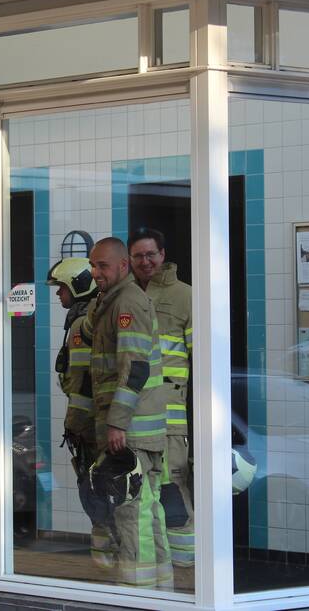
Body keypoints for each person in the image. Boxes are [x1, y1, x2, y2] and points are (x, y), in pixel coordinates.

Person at [86, 237, 173, 590]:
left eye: (102, 266)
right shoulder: (113, 301)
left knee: (131, 515)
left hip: (131, 431)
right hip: (134, 430)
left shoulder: (127, 303)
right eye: (92, 265)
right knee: (147, 512)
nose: (95, 272)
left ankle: (138, 593)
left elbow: (134, 369)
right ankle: (160, 589)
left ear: (123, 265)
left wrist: (117, 423)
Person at [128, 227, 194, 569]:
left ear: (163, 255)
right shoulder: (123, 297)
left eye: (151, 254)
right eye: (138, 256)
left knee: (174, 485)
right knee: (141, 490)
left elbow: (204, 360)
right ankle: (158, 561)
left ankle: (188, 567)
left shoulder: (185, 296)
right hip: (130, 415)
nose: (145, 262)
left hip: (170, 415)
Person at [45, 257, 116, 570]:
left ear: (77, 286)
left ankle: (105, 563)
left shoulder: (80, 325)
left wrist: (74, 426)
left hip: (90, 429)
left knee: (95, 493)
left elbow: (82, 383)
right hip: (100, 424)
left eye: (62, 288)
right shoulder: (87, 318)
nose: (58, 295)